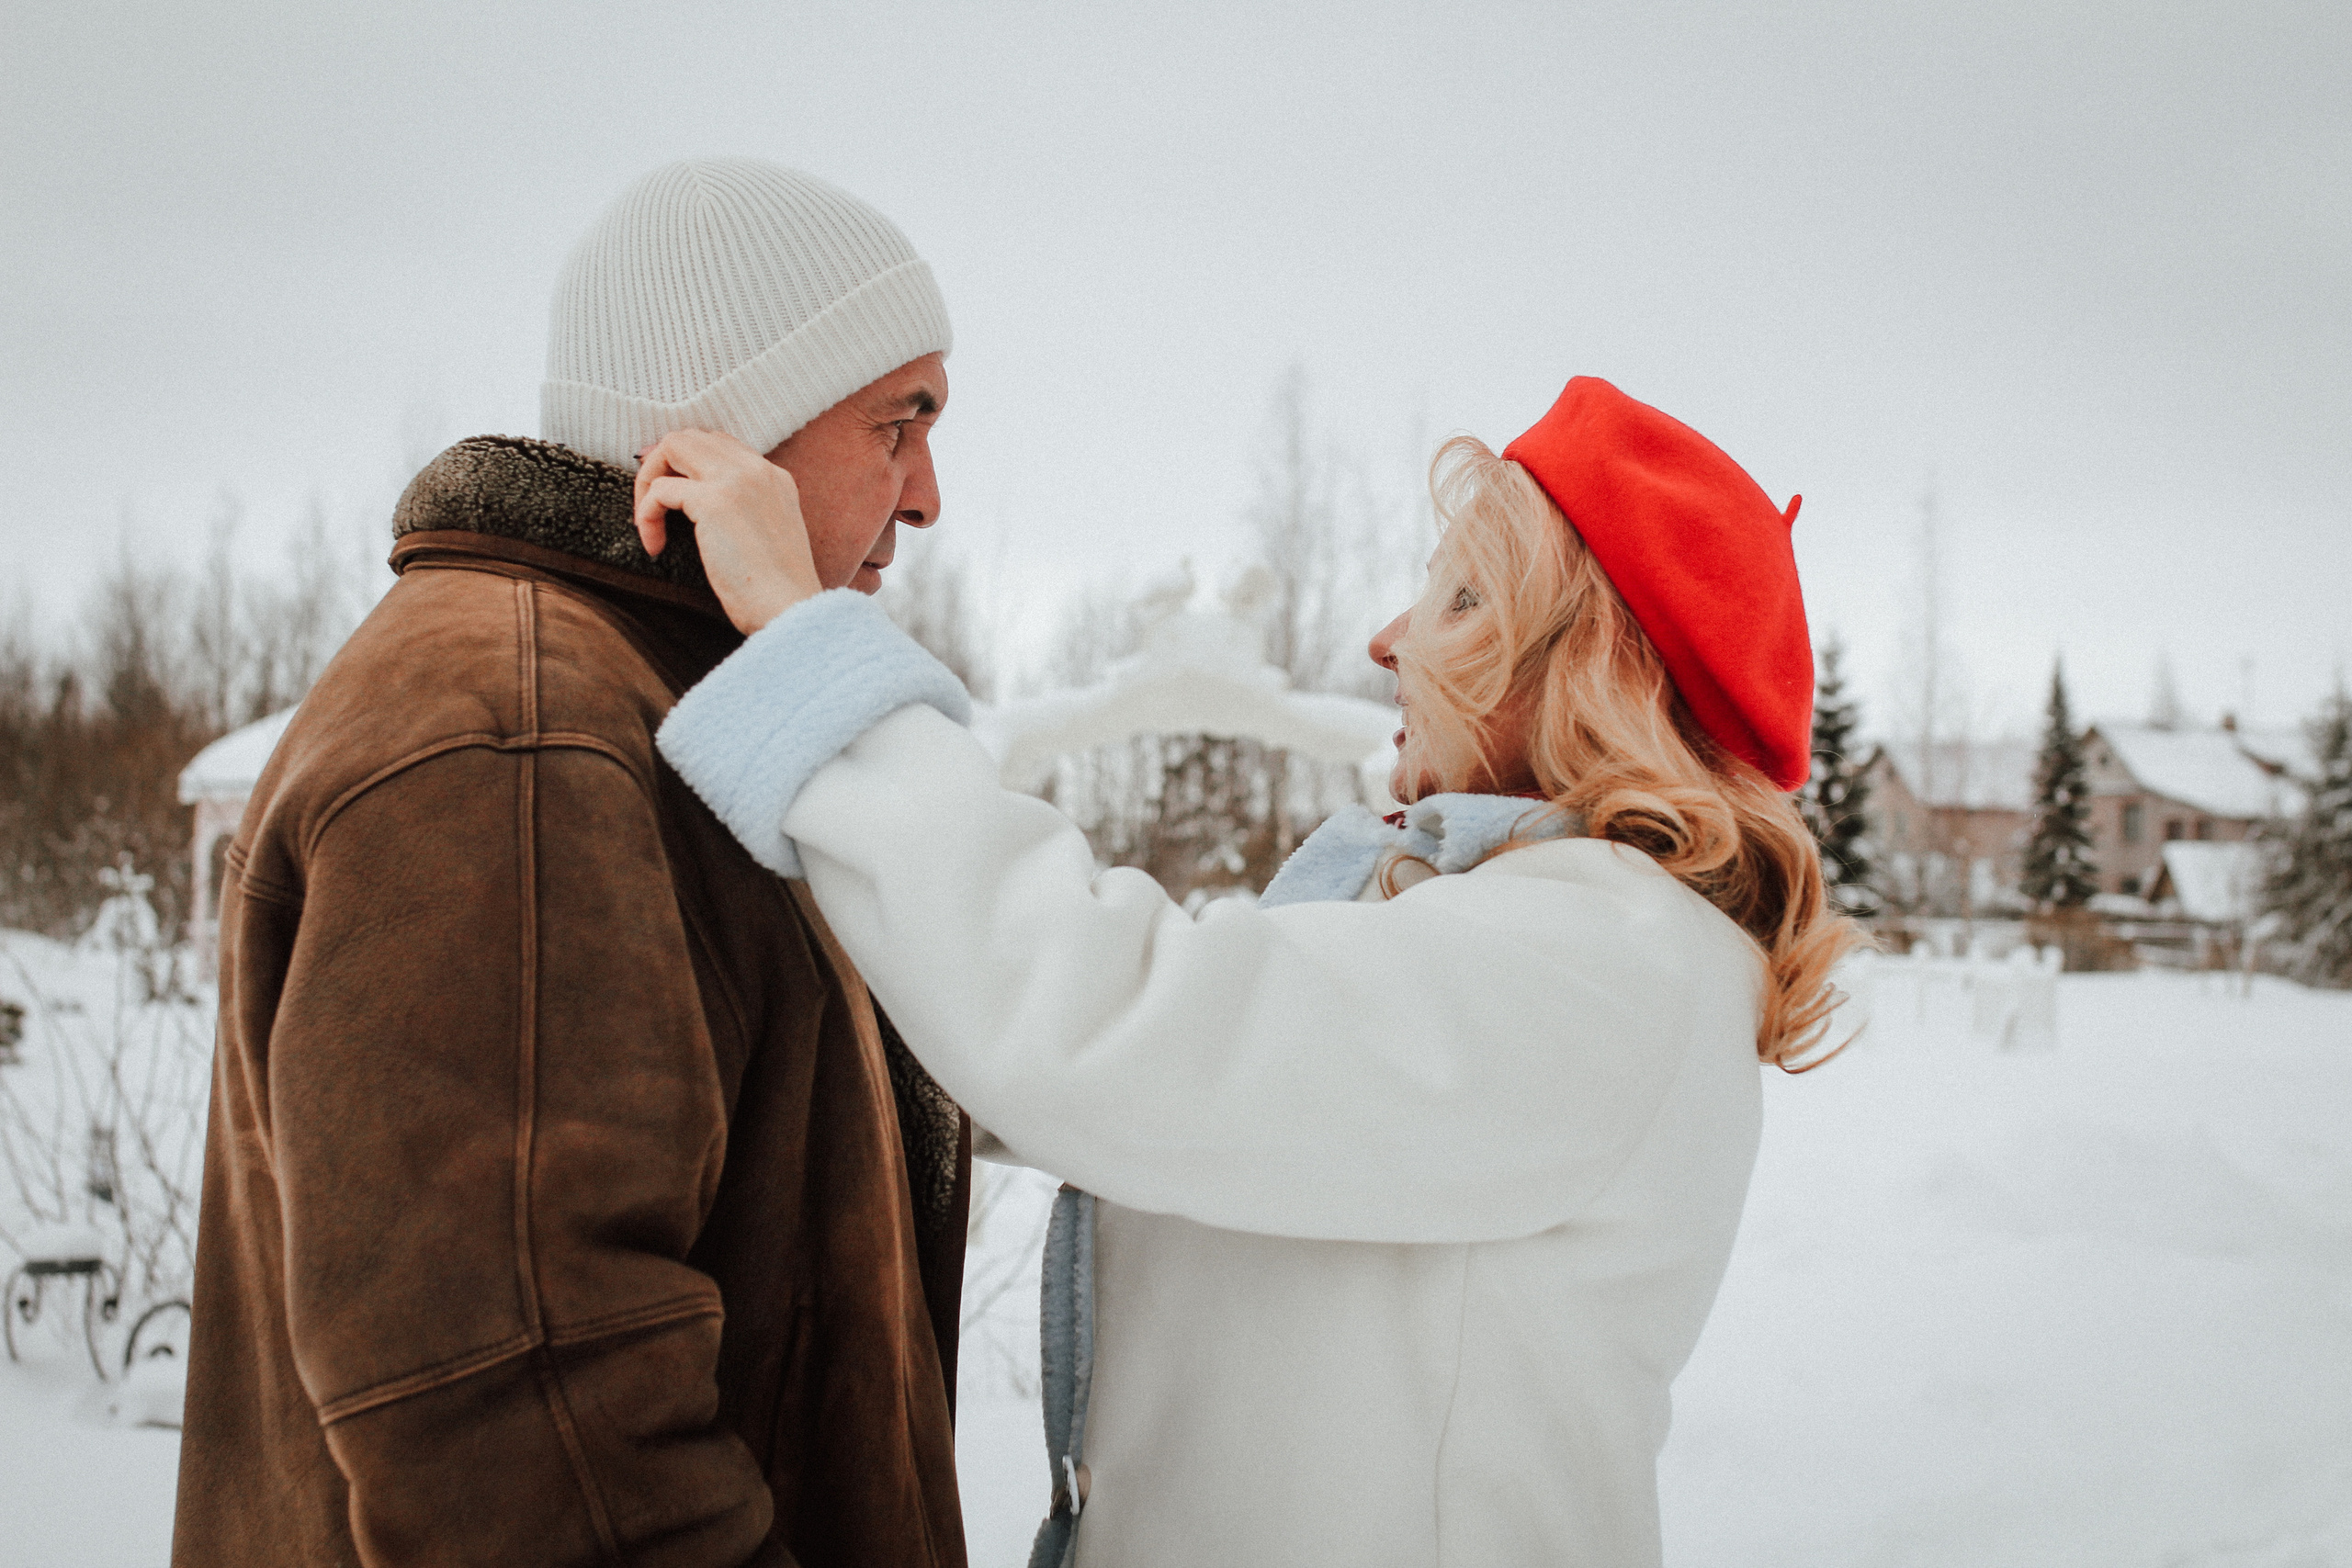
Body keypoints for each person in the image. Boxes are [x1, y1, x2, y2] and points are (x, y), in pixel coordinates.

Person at [633, 374, 1864, 1565]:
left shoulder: (1604, 968)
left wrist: (804, 648)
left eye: (1462, 600)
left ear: (1594, 675)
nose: (1388, 640)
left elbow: (1108, 1027)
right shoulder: (1516, 933)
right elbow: (1094, 1062)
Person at [175, 158, 973, 1568]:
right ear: (734, 422)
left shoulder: (674, 712)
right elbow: (524, 1410)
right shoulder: (519, 731)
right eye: (897, 424)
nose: (926, 498)